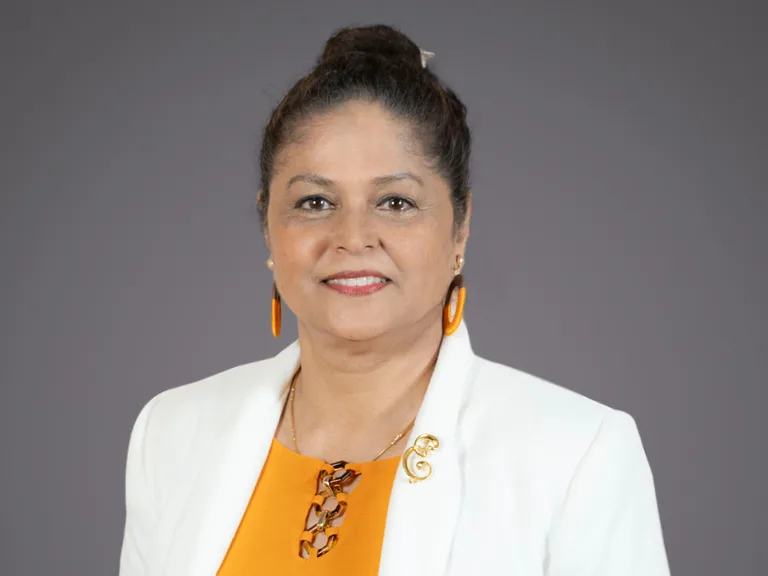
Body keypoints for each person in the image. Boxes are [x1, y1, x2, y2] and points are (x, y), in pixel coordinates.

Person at [119, 24, 670, 576]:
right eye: (314, 201)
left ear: (460, 226)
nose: (353, 237)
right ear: (268, 225)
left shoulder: (577, 454)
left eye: (396, 202)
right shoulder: (171, 433)